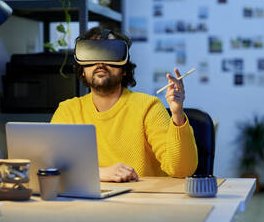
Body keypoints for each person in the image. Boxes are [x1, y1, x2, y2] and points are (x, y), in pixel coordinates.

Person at [51, 27, 198, 182]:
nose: (100, 63)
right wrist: (99, 173)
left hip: (143, 200)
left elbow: (182, 170)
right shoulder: (68, 111)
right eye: (92, 54)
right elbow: (51, 166)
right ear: (82, 70)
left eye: (110, 53)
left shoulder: (148, 107)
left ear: (125, 70)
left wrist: (177, 115)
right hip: (88, 202)